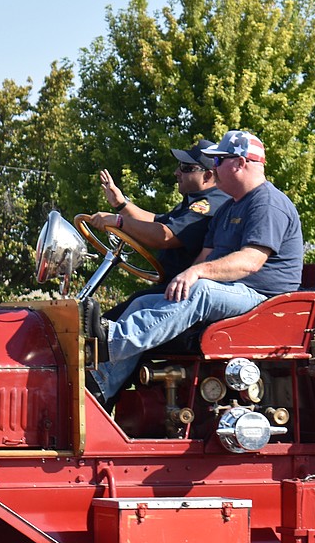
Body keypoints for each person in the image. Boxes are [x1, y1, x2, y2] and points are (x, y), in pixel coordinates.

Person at [88, 130, 304, 403]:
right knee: (147, 302)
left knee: (200, 289)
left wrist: (195, 273)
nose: (214, 168)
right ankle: (99, 384)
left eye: (219, 161)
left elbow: (251, 261)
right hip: (232, 292)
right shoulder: (228, 208)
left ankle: (108, 344)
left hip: (264, 300)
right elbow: (204, 257)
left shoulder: (267, 203)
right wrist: (177, 284)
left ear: (239, 163)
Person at [88, 139, 230, 314]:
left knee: (117, 319)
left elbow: (165, 236)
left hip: (183, 292)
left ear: (208, 175)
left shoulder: (209, 204)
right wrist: (121, 204)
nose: (176, 172)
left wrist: (119, 222)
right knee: (121, 311)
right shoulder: (195, 201)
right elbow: (157, 222)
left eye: (186, 167)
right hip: (171, 286)